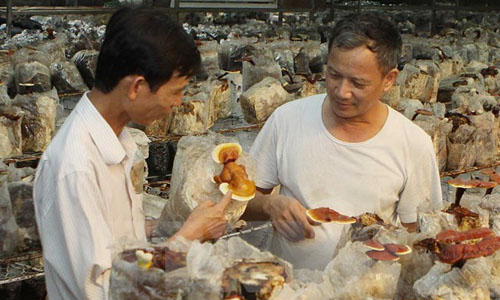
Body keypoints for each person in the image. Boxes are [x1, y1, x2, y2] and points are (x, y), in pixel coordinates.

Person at [33, 7, 232, 300]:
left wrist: (174, 225)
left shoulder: (117, 141)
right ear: (137, 87)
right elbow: (104, 290)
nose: (177, 103)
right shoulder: (75, 166)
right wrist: (187, 239)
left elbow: (123, 250)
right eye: (175, 91)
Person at [243, 13, 443, 270]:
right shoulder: (287, 120)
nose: (341, 92)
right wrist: (270, 205)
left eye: (358, 83)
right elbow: (241, 203)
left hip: (367, 290)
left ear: (389, 80)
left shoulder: (414, 144)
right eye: (334, 75)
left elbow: (418, 236)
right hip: (287, 287)